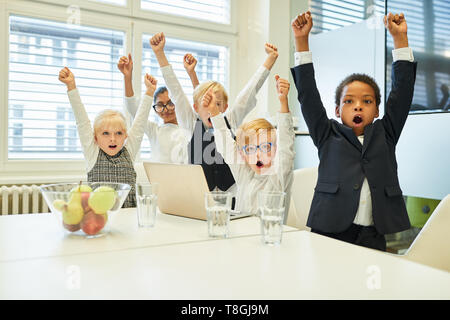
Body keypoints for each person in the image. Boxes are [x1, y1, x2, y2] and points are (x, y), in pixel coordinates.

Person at [290, 11, 417, 251]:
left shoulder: (386, 132)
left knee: (370, 286)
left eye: (367, 101)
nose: (358, 105)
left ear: (377, 110)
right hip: (329, 228)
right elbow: (307, 94)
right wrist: (301, 41)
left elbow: (402, 93)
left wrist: (400, 40)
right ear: (337, 110)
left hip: (372, 232)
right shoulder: (326, 133)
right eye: (349, 101)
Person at [149, 31, 279, 197]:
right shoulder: (190, 123)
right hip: (199, 196)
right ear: (196, 107)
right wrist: (159, 54)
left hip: (232, 194)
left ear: (224, 107)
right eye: (207, 103)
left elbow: (248, 93)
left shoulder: (230, 120)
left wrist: (269, 60)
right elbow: (176, 91)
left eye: (217, 104)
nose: (212, 108)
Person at [58, 66, 156, 207]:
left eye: (118, 133)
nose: (113, 139)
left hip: (129, 218)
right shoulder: (92, 153)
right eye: (105, 133)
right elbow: (82, 121)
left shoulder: (128, 151)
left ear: (125, 136)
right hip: (100, 219)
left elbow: (139, 123)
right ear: (95, 137)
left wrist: (150, 92)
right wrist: (71, 86)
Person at [207, 75, 295, 215]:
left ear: (276, 150)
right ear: (243, 155)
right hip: (242, 235)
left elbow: (286, 144)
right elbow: (226, 145)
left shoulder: (279, 176)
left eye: (266, 147)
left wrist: (283, 103)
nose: (258, 154)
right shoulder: (245, 174)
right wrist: (214, 113)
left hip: (269, 235)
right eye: (250, 149)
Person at [118, 54, 189, 164]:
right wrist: (127, 77)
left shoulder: (187, 128)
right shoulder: (154, 130)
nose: (166, 110)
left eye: (170, 103)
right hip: (157, 179)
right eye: (160, 105)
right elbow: (133, 109)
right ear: (155, 109)